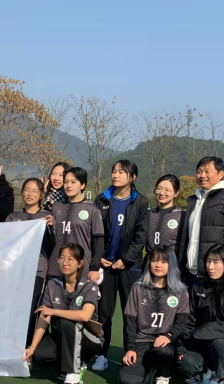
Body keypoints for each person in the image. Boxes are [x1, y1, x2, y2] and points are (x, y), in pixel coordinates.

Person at [92, 160, 150, 372]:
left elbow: (141, 235)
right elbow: (95, 232)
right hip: (106, 265)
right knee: (104, 313)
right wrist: (99, 257)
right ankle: (101, 354)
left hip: (130, 267)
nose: (116, 175)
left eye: (121, 172)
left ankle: (130, 354)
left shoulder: (141, 202)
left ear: (132, 177)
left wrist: (126, 259)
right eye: (114, 171)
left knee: (131, 313)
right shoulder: (102, 199)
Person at [24, 244, 103, 385]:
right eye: (61, 258)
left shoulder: (90, 286)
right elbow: (44, 317)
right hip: (63, 336)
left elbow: (85, 316)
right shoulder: (52, 284)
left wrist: (54, 311)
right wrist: (32, 347)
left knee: (66, 322)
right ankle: (71, 363)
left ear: (80, 263)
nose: (64, 263)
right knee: (40, 355)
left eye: (70, 259)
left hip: (89, 340)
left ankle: (74, 372)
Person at [119, 246, 191, 385]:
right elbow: (130, 322)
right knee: (128, 380)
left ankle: (164, 373)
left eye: (164, 261)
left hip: (165, 343)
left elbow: (182, 322)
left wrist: (169, 336)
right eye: (154, 260)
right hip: (142, 341)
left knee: (163, 352)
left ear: (171, 265)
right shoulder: (137, 288)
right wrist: (130, 348)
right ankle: (150, 369)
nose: (158, 265)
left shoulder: (180, 291)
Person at [6, 178, 54, 347]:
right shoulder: (13, 217)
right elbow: (5, 242)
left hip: (36, 271)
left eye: (34, 191)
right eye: (27, 190)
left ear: (41, 195)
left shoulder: (46, 217)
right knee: (13, 308)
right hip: (15, 270)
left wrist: (50, 228)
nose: (30, 194)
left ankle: (28, 349)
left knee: (32, 309)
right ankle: (11, 345)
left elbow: (51, 246)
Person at [47, 167, 104, 283]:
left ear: (82, 185)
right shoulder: (56, 206)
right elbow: (50, 238)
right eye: (66, 182)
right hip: (56, 268)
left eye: (73, 182)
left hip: (80, 269)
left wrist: (94, 268)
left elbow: (98, 241)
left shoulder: (92, 209)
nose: (69, 185)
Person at [180, 245, 224, 384]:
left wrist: (203, 331)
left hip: (219, 344)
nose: (210, 267)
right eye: (208, 261)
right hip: (202, 342)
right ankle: (208, 371)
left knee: (218, 342)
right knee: (188, 363)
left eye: (216, 262)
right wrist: (182, 347)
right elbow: (189, 320)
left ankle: (220, 377)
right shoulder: (198, 287)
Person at [179, 157, 224, 287]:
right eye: (199, 171)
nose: (202, 175)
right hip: (192, 273)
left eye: (207, 171)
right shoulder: (194, 200)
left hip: (216, 275)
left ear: (221, 174)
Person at [146, 175, 186, 254]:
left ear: (176, 193)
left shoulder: (182, 215)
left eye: (167, 190)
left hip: (172, 259)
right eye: (159, 189)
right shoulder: (148, 214)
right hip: (150, 259)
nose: (162, 193)